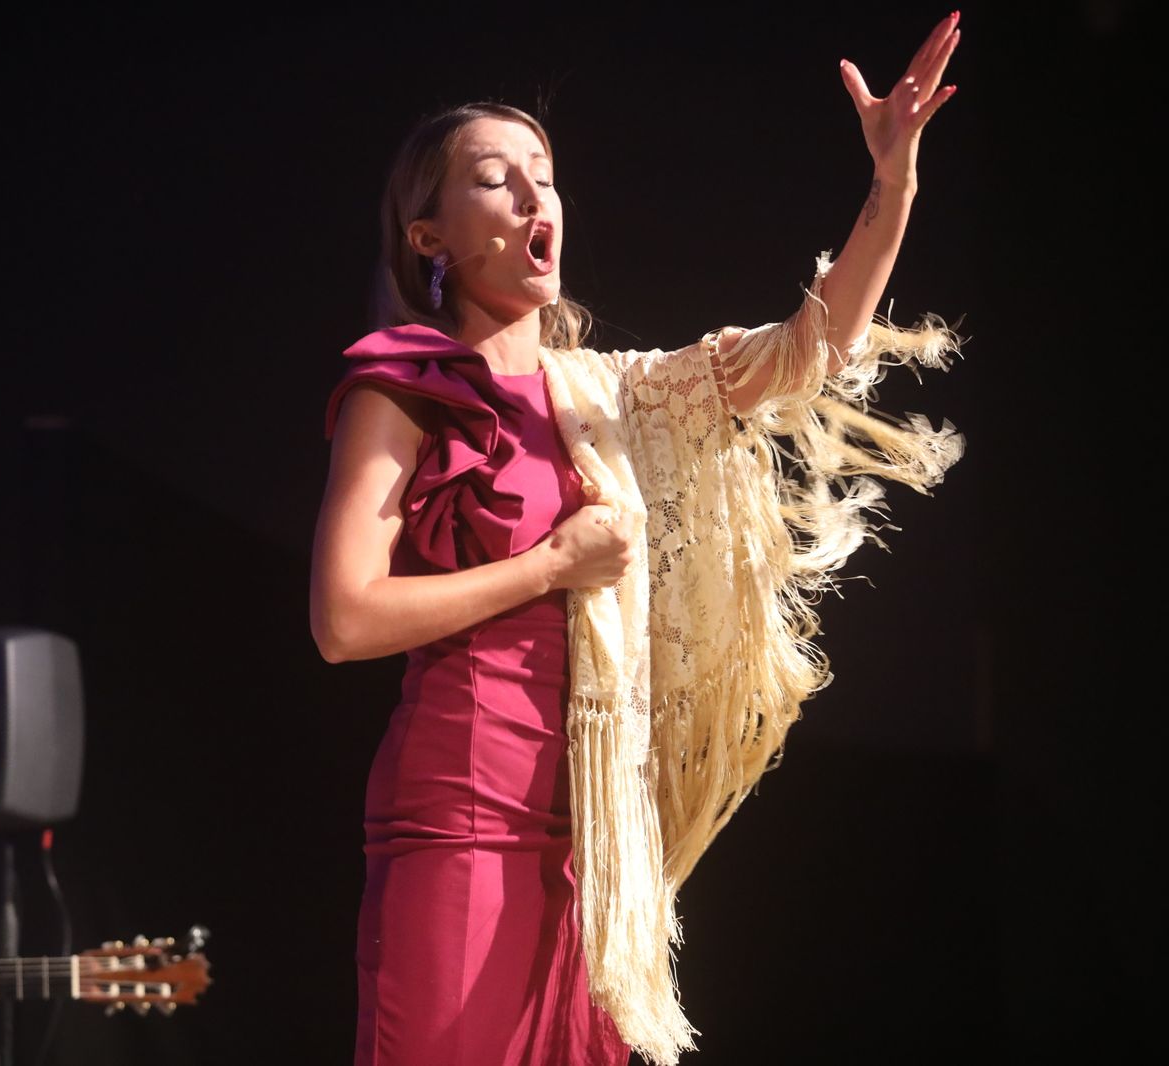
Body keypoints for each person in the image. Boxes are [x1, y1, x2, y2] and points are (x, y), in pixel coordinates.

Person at [310, 14, 964, 1066]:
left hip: (600, 832)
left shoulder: (615, 395)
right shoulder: (405, 387)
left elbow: (810, 349)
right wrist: (551, 566)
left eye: (545, 175)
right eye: (495, 178)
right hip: (462, 817)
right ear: (426, 233)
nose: (534, 198)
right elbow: (343, 619)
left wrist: (892, 187)